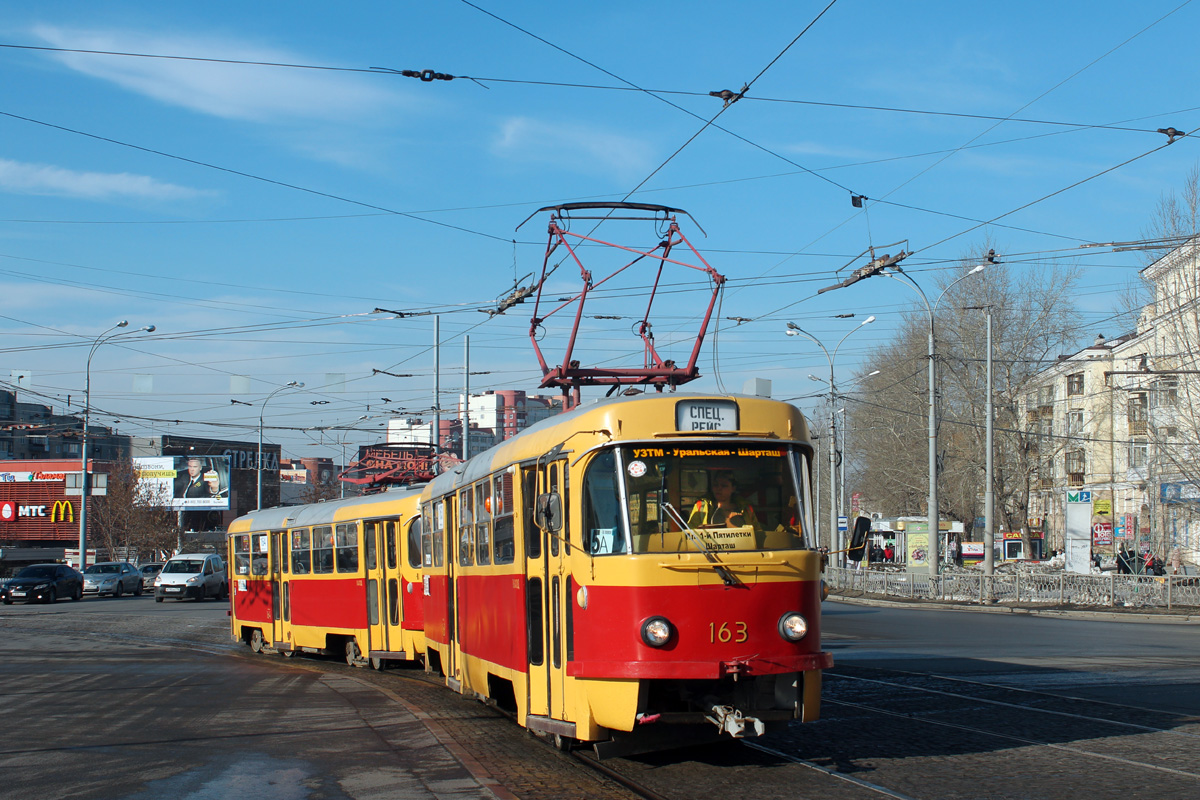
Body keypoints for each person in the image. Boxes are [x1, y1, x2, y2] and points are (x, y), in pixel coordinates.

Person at [688, 471, 759, 528]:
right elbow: (691, 533)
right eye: (716, 485)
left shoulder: (746, 508)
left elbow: (757, 533)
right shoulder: (701, 507)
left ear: (733, 488)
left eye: (724, 485)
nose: (719, 488)